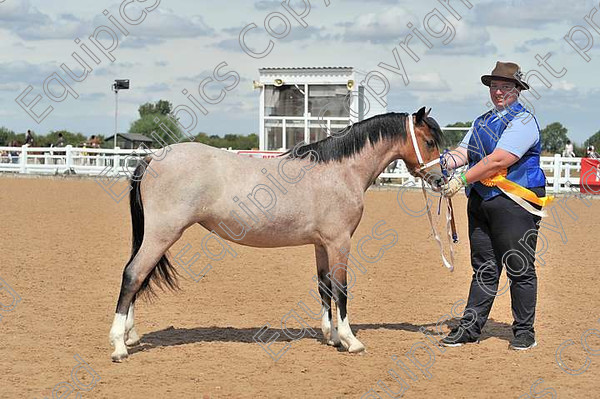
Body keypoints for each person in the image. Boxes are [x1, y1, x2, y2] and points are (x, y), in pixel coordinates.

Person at [439, 61, 549, 351]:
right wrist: (438, 165)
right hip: (481, 202)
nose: (498, 91)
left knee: (519, 267)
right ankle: (470, 327)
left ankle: (524, 331)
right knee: (484, 268)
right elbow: (464, 152)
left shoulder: (524, 122)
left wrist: (460, 179)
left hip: (515, 202)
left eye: (505, 86)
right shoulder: (480, 122)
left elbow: (498, 160)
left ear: (517, 90)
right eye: (494, 86)